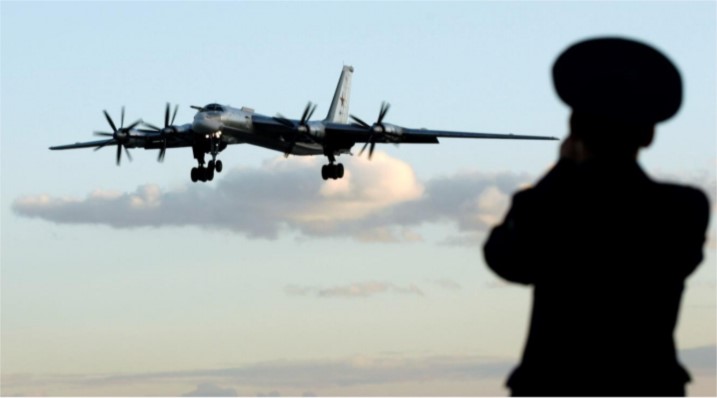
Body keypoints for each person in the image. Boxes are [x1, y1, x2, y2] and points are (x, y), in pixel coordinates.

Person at [483, 37, 710, 396]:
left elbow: (505, 260)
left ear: (575, 132)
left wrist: (560, 170)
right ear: (649, 135)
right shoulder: (683, 208)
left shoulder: (544, 206)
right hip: (647, 384)